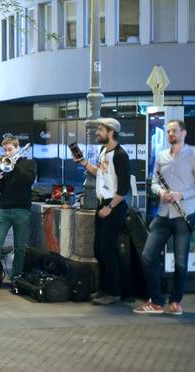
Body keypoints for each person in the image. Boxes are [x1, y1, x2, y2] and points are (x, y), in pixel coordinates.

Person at [134, 120, 195, 315]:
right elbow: (154, 182)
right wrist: (160, 192)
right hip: (163, 214)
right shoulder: (161, 156)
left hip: (184, 215)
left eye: (174, 130)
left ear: (184, 133)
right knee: (148, 256)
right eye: (168, 131)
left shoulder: (194, 156)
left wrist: (180, 195)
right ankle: (157, 301)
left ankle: (175, 301)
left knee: (181, 261)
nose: (170, 134)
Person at [73, 118, 130, 305]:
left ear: (111, 131)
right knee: (99, 249)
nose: (97, 132)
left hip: (113, 205)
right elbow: (100, 173)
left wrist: (109, 208)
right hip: (103, 204)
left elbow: (123, 189)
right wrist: (83, 162)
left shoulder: (120, 155)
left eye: (100, 129)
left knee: (107, 250)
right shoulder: (105, 151)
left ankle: (113, 292)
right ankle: (104, 288)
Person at [0, 135, 37, 292]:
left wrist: (14, 165)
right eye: (5, 150)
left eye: (10, 149)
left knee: (19, 247)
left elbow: (28, 180)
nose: (7, 152)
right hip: (4, 209)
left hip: (22, 210)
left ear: (17, 148)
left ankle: (16, 278)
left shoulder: (29, 163)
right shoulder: (2, 165)